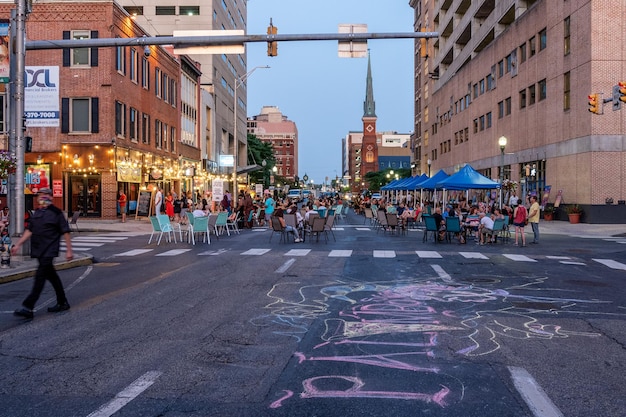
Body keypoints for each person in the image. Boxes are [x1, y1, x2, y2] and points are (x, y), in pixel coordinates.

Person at [12, 188, 73, 319]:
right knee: (52, 277)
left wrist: (69, 250)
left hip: (49, 250)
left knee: (39, 277)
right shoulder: (38, 212)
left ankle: (28, 306)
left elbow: (65, 231)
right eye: (40, 195)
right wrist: (18, 244)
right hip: (39, 250)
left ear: (51, 197)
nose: (42, 197)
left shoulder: (56, 213)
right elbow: (30, 230)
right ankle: (62, 302)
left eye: (45, 195)